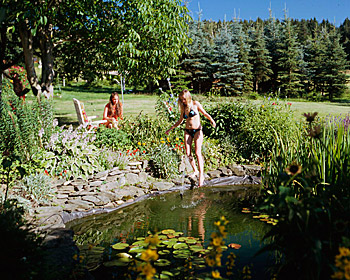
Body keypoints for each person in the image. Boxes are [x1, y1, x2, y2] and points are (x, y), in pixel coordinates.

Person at [166, 89, 216, 187]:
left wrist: (212, 120)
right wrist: (170, 128)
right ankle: (195, 170)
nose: (183, 101)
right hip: (187, 131)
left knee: (197, 153)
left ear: (188, 97)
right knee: (188, 153)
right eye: (181, 99)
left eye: (184, 99)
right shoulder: (183, 107)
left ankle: (201, 175)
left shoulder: (195, 104)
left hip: (197, 130)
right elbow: (180, 120)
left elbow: (204, 113)